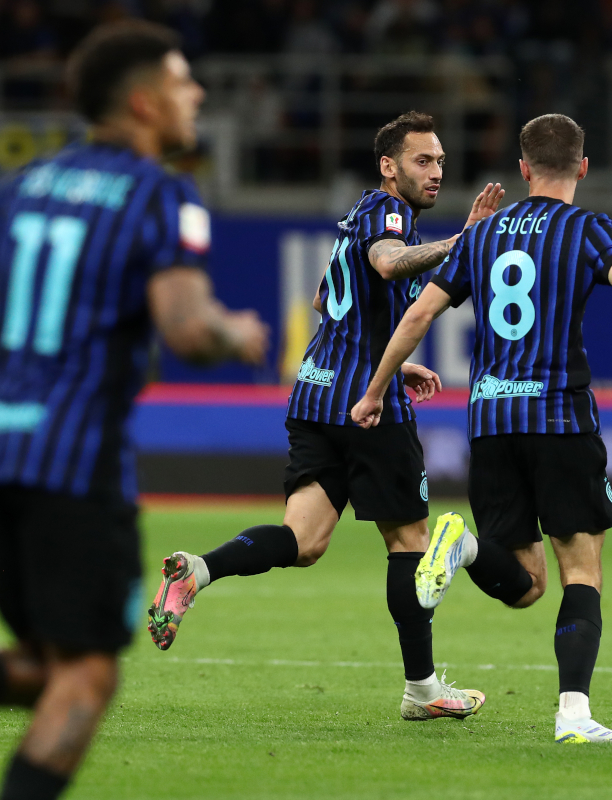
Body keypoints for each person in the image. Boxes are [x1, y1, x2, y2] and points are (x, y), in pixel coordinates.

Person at [0, 22, 269, 799]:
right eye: (184, 81)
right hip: (75, 463)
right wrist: (233, 330)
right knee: (87, 679)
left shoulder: (26, 185)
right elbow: (188, 328)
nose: (199, 94)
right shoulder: (163, 195)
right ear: (145, 103)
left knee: (54, 664)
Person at [350, 114, 612, 745]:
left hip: (490, 420)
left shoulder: (482, 235)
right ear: (583, 167)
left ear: (522, 169)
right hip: (558, 416)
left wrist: (376, 390)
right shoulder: (590, 230)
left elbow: (419, 316)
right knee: (581, 571)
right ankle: (574, 716)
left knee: (526, 587)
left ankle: (460, 547)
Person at [147, 111, 504, 722]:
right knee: (410, 542)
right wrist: (463, 240)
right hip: (364, 407)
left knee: (304, 539)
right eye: (423, 160)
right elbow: (390, 264)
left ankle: (196, 572)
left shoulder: (358, 216)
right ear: (389, 166)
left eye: (441, 160)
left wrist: (387, 354)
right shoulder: (388, 215)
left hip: (315, 392)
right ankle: (422, 691)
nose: (436, 171)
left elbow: (323, 297)